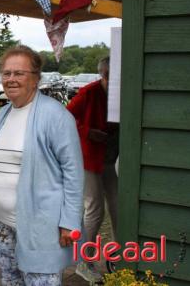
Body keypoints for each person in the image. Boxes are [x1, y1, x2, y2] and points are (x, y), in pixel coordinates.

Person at [0, 45, 84, 286]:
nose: (11, 79)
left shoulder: (56, 116)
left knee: (41, 280)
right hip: (3, 224)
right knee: (11, 280)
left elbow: (73, 172)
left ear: (35, 79)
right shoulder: (4, 113)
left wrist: (70, 221)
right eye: (6, 73)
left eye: (19, 73)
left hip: (41, 225)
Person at [66, 57, 118, 283]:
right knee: (95, 208)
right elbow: (65, 117)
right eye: (108, 76)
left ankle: (119, 256)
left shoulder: (121, 93)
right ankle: (82, 261)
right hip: (87, 159)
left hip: (109, 159)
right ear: (103, 74)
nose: (112, 80)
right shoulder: (89, 92)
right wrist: (87, 131)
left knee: (119, 207)